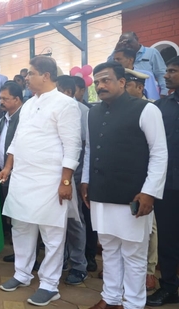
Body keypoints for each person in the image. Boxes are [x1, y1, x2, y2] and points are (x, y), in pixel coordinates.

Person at [80, 61, 167, 309]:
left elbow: (159, 153)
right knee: (108, 249)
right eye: (97, 82)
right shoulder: (93, 112)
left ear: (122, 82)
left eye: (106, 80)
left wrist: (150, 192)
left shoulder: (145, 110)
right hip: (100, 192)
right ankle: (111, 298)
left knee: (134, 254)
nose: (100, 85)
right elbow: (89, 151)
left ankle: (133, 303)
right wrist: (85, 179)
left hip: (133, 196)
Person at [0, 56, 82, 306]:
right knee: (21, 227)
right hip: (23, 177)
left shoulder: (66, 104)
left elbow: (72, 145)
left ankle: (49, 284)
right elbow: (17, 139)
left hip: (50, 180)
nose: (26, 77)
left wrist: (65, 182)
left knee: (52, 233)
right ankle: (22, 274)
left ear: (46, 75)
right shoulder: (29, 104)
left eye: (31, 73)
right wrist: (8, 166)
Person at [147, 56, 179, 307]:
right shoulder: (161, 106)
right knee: (168, 238)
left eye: (172, 71)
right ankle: (169, 286)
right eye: (166, 71)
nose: (166, 75)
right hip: (168, 185)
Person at [123, 68, 158, 291]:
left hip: (146, 178)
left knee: (149, 225)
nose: (124, 89)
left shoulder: (151, 108)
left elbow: (157, 149)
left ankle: (149, 270)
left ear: (139, 87)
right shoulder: (118, 109)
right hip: (122, 178)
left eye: (128, 85)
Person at [55, 75, 90, 285]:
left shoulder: (82, 112)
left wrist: (76, 178)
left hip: (72, 174)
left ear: (67, 92)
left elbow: (85, 148)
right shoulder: (49, 110)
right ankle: (61, 261)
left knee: (74, 221)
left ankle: (79, 265)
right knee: (55, 220)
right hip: (51, 173)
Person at [0, 81, 24, 236]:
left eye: (5, 99)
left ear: (17, 99)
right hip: (5, 174)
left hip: (20, 174)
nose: (1, 102)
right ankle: (17, 248)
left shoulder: (25, 118)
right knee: (13, 214)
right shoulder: (3, 119)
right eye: (0, 98)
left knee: (22, 215)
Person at [108, 32, 168, 96]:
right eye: (123, 43)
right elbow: (108, 66)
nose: (127, 45)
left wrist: (163, 93)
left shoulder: (151, 52)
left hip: (148, 91)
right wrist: (116, 49)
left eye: (129, 41)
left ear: (136, 39)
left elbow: (161, 73)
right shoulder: (122, 56)